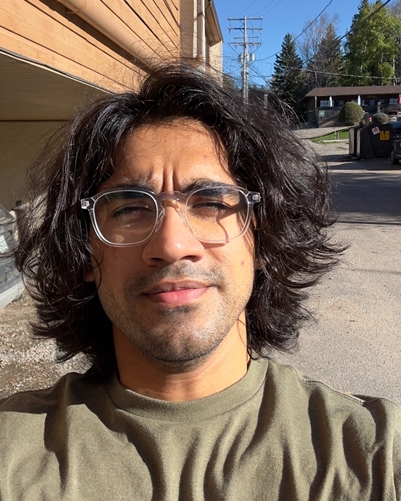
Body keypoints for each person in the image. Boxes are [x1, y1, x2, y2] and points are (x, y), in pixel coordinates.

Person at [0, 63, 400, 500]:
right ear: (85, 254)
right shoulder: (12, 453)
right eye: (129, 209)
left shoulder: (373, 456)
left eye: (210, 202)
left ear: (262, 238)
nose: (172, 245)